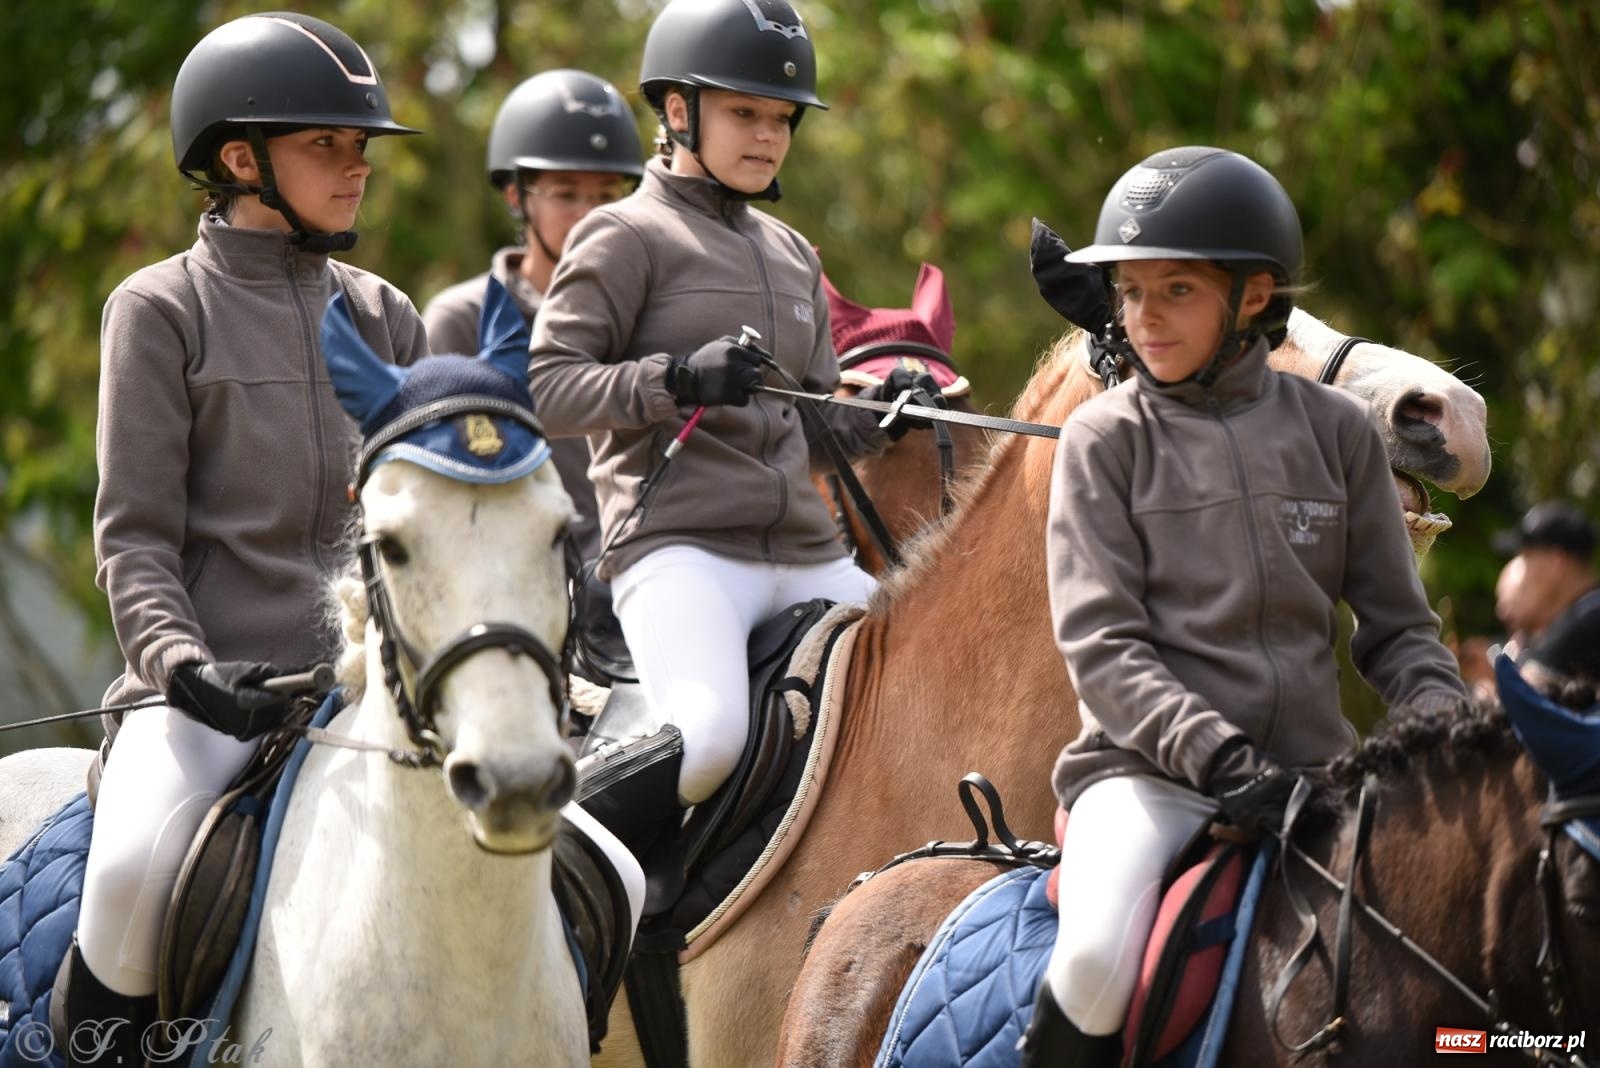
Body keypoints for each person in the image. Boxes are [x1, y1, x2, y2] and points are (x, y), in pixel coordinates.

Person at [1022, 147, 1470, 1065]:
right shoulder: (1102, 440)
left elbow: (1400, 633)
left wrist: (1450, 736)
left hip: (1314, 780)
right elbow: (1104, 650)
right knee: (1096, 963)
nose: (1144, 317)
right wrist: (1221, 759)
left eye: (1176, 290)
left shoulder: (1339, 432)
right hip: (1146, 779)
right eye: (1130, 293)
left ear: (1255, 295)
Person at [63, 14, 427, 1062]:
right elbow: (134, 539)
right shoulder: (158, 310)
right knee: (129, 872)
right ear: (240, 160)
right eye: (328, 144)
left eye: (361, 145)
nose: (358, 166)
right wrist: (183, 667)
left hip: (370, 693)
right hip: (211, 699)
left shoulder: (387, 316)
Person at [528, 0, 928, 822]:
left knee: (928, 689)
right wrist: (676, 380)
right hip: (681, 550)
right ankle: (570, 870)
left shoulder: (791, 254)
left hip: (808, 552)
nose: (768, 136)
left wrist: (882, 414)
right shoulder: (622, 234)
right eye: (745, 113)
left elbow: (808, 425)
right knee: (709, 739)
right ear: (679, 110)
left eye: (782, 119)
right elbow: (547, 390)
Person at [423, 69, 645, 561]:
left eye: (607, 196)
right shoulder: (463, 320)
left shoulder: (646, 311)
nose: (590, 215)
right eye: (566, 194)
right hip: (520, 574)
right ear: (516, 195)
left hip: (641, 564)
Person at [1494, 499, 1600, 679]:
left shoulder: (1589, 619)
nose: (1521, 570)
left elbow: (1531, 683)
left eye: (1527, 557)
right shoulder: (1585, 611)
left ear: (1557, 561)